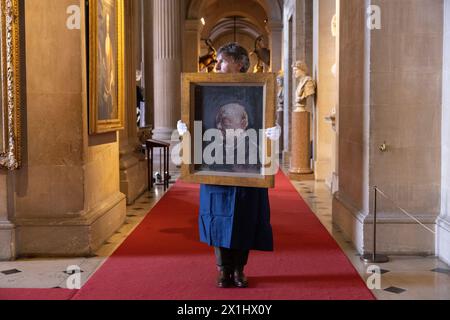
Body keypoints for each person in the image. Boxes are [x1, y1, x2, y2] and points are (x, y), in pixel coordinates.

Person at [177, 43, 281, 288]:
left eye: (221, 61)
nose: (216, 66)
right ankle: (223, 270)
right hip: (216, 170)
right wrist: (185, 132)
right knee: (218, 218)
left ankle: (239, 270)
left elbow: (264, 125)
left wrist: (274, 135)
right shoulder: (205, 88)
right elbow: (197, 121)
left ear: (239, 63)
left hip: (249, 171)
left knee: (244, 219)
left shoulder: (259, 89)